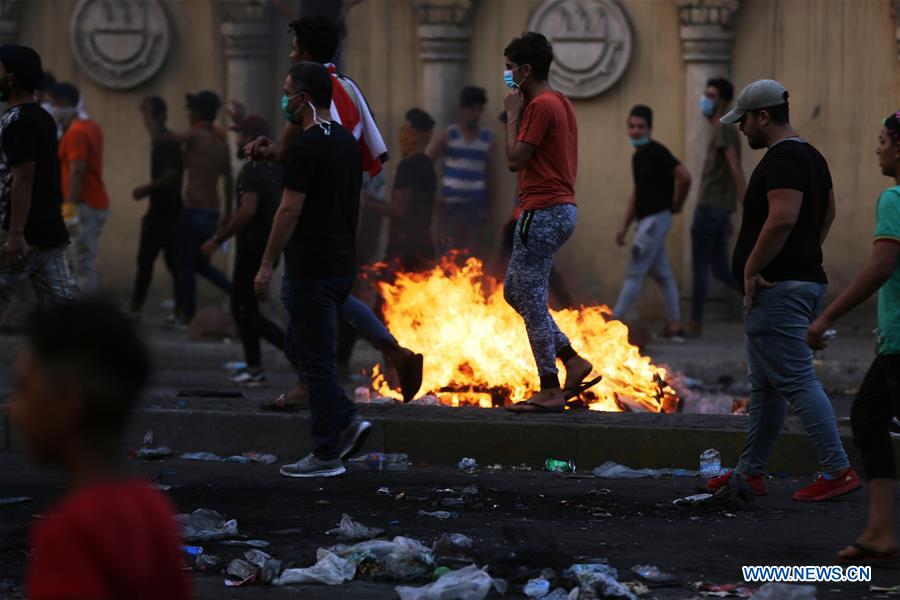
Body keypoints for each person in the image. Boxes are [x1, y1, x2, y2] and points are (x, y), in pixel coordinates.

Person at [245, 15, 422, 404]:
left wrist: (266, 262)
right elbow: (299, 150)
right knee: (333, 296)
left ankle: (324, 404)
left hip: (318, 220)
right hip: (342, 213)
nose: (290, 56)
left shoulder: (316, 98)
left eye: (293, 50)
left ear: (304, 56)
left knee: (304, 303)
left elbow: (302, 167)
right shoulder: (345, 88)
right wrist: (266, 148)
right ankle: (390, 351)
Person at [706, 79, 860, 501]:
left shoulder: (784, 159)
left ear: (763, 117)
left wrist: (754, 268)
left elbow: (782, 218)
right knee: (767, 385)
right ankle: (749, 473)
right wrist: (805, 255)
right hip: (799, 282)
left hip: (778, 290)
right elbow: (827, 212)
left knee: (795, 380)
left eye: (745, 122)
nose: (742, 130)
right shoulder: (812, 156)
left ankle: (837, 469)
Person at [9, 300, 191, 599]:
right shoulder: (151, 507)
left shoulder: (70, 534)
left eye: (24, 389)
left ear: (67, 402)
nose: (14, 409)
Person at [254, 62, 370, 478]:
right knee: (309, 352)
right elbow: (356, 207)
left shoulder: (306, 146)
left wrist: (266, 263)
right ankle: (349, 419)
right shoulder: (344, 142)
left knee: (316, 362)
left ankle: (325, 456)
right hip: (339, 264)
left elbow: (289, 209)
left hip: (311, 267)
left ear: (303, 98)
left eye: (287, 92)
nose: (284, 99)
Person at [806, 112, 900, 560]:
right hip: (894, 343)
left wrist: (826, 317)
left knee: (868, 419)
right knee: (867, 417)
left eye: (883, 140)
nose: (877, 148)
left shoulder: (894, 198)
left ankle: (882, 532)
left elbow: (882, 266)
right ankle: (880, 531)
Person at [500, 32, 596, 414]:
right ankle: (572, 359)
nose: (506, 77)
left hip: (541, 212)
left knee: (532, 298)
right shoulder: (560, 102)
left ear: (526, 70)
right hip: (559, 210)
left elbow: (514, 160)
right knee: (515, 292)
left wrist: (512, 114)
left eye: (510, 70)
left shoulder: (538, 106)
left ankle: (550, 387)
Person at [202, 115, 284, 387]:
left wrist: (217, 238)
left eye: (240, 135)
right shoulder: (274, 167)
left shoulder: (252, 169)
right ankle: (254, 367)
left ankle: (289, 355)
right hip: (268, 245)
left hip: (252, 247)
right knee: (245, 309)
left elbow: (247, 210)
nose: (236, 140)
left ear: (251, 138)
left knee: (244, 309)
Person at [0, 45, 77, 321]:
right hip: (47, 233)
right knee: (68, 314)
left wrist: (15, 233)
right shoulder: (41, 118)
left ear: (12, 78)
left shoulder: (18, 121)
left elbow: (23, 178)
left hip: (20, 238)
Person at [612, 105, 691, 340]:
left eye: (640, 127)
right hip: (644, 221)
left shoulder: (658, 153)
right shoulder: (638, 157)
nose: (635, 131)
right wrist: (624, 227)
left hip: (656, 220)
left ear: (650, 128)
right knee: (663, 274)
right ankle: (674, 325)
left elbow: (685, 176)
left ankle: (615, 322)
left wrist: (678, 204)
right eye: (632, 126)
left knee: (635, 271)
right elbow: (637, 194)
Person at [688, 78, 745, 335]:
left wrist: (745, 204)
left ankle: (694, 323)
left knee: (700, 266)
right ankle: (763, 297)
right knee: (721, 269)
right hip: (718, 208)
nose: (705, 99)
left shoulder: (723, 128)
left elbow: (734, 168)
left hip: (710, 207)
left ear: (722, 100)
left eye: (710, 95)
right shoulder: (722, 129)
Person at [173, 90, 233, 324]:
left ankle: (187, 316)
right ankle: (234, 292)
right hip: (212, 212)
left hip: (194, 211)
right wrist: (227, 212)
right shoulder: (221, 142)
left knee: (186, 264)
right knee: (200, 264)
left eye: (190, 110)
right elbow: (228, 181)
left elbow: (169, 139)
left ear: (197, 113)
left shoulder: (196, 135)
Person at [49, 82, 109, 294]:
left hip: (83, 206)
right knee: (78, 264)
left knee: (81, 266)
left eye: (53, 104)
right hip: (93, 204)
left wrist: (70, 206)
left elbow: (77, 171)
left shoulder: (75, 133)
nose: (52, 109)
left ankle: (84, 318)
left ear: (65, 103)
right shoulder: (91, 126)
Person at [129, 96, 183, 317]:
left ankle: (137, 308)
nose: (145, 121)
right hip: (162, 212)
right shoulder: (161, 141)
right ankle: (140, 308)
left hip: (166, 213)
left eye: (148, 115)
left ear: (160, 116)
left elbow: (172, 174)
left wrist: (146, 189)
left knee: (160, 263)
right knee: (154, 262)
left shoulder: (166, 141)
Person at [365, 108, 437, 272]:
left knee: (388, 296)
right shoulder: (427, 164)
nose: (401, 135)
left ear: (416, 136)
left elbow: (398, 209)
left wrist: (364, 201)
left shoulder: (408, 166)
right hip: (423, 248)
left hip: (403, 253)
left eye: (406, 131)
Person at [428, 85, 494, 258]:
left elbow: (490, 176)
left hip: (475, 207)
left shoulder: (487, 138)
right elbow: (427, 164)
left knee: (472, 256)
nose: (476, 114)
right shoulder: (449, 135)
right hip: (450, 207)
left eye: (479, 110)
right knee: (447, 254)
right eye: (472, 109)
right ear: (462, 109)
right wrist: (434, 198)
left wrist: (489, 208)